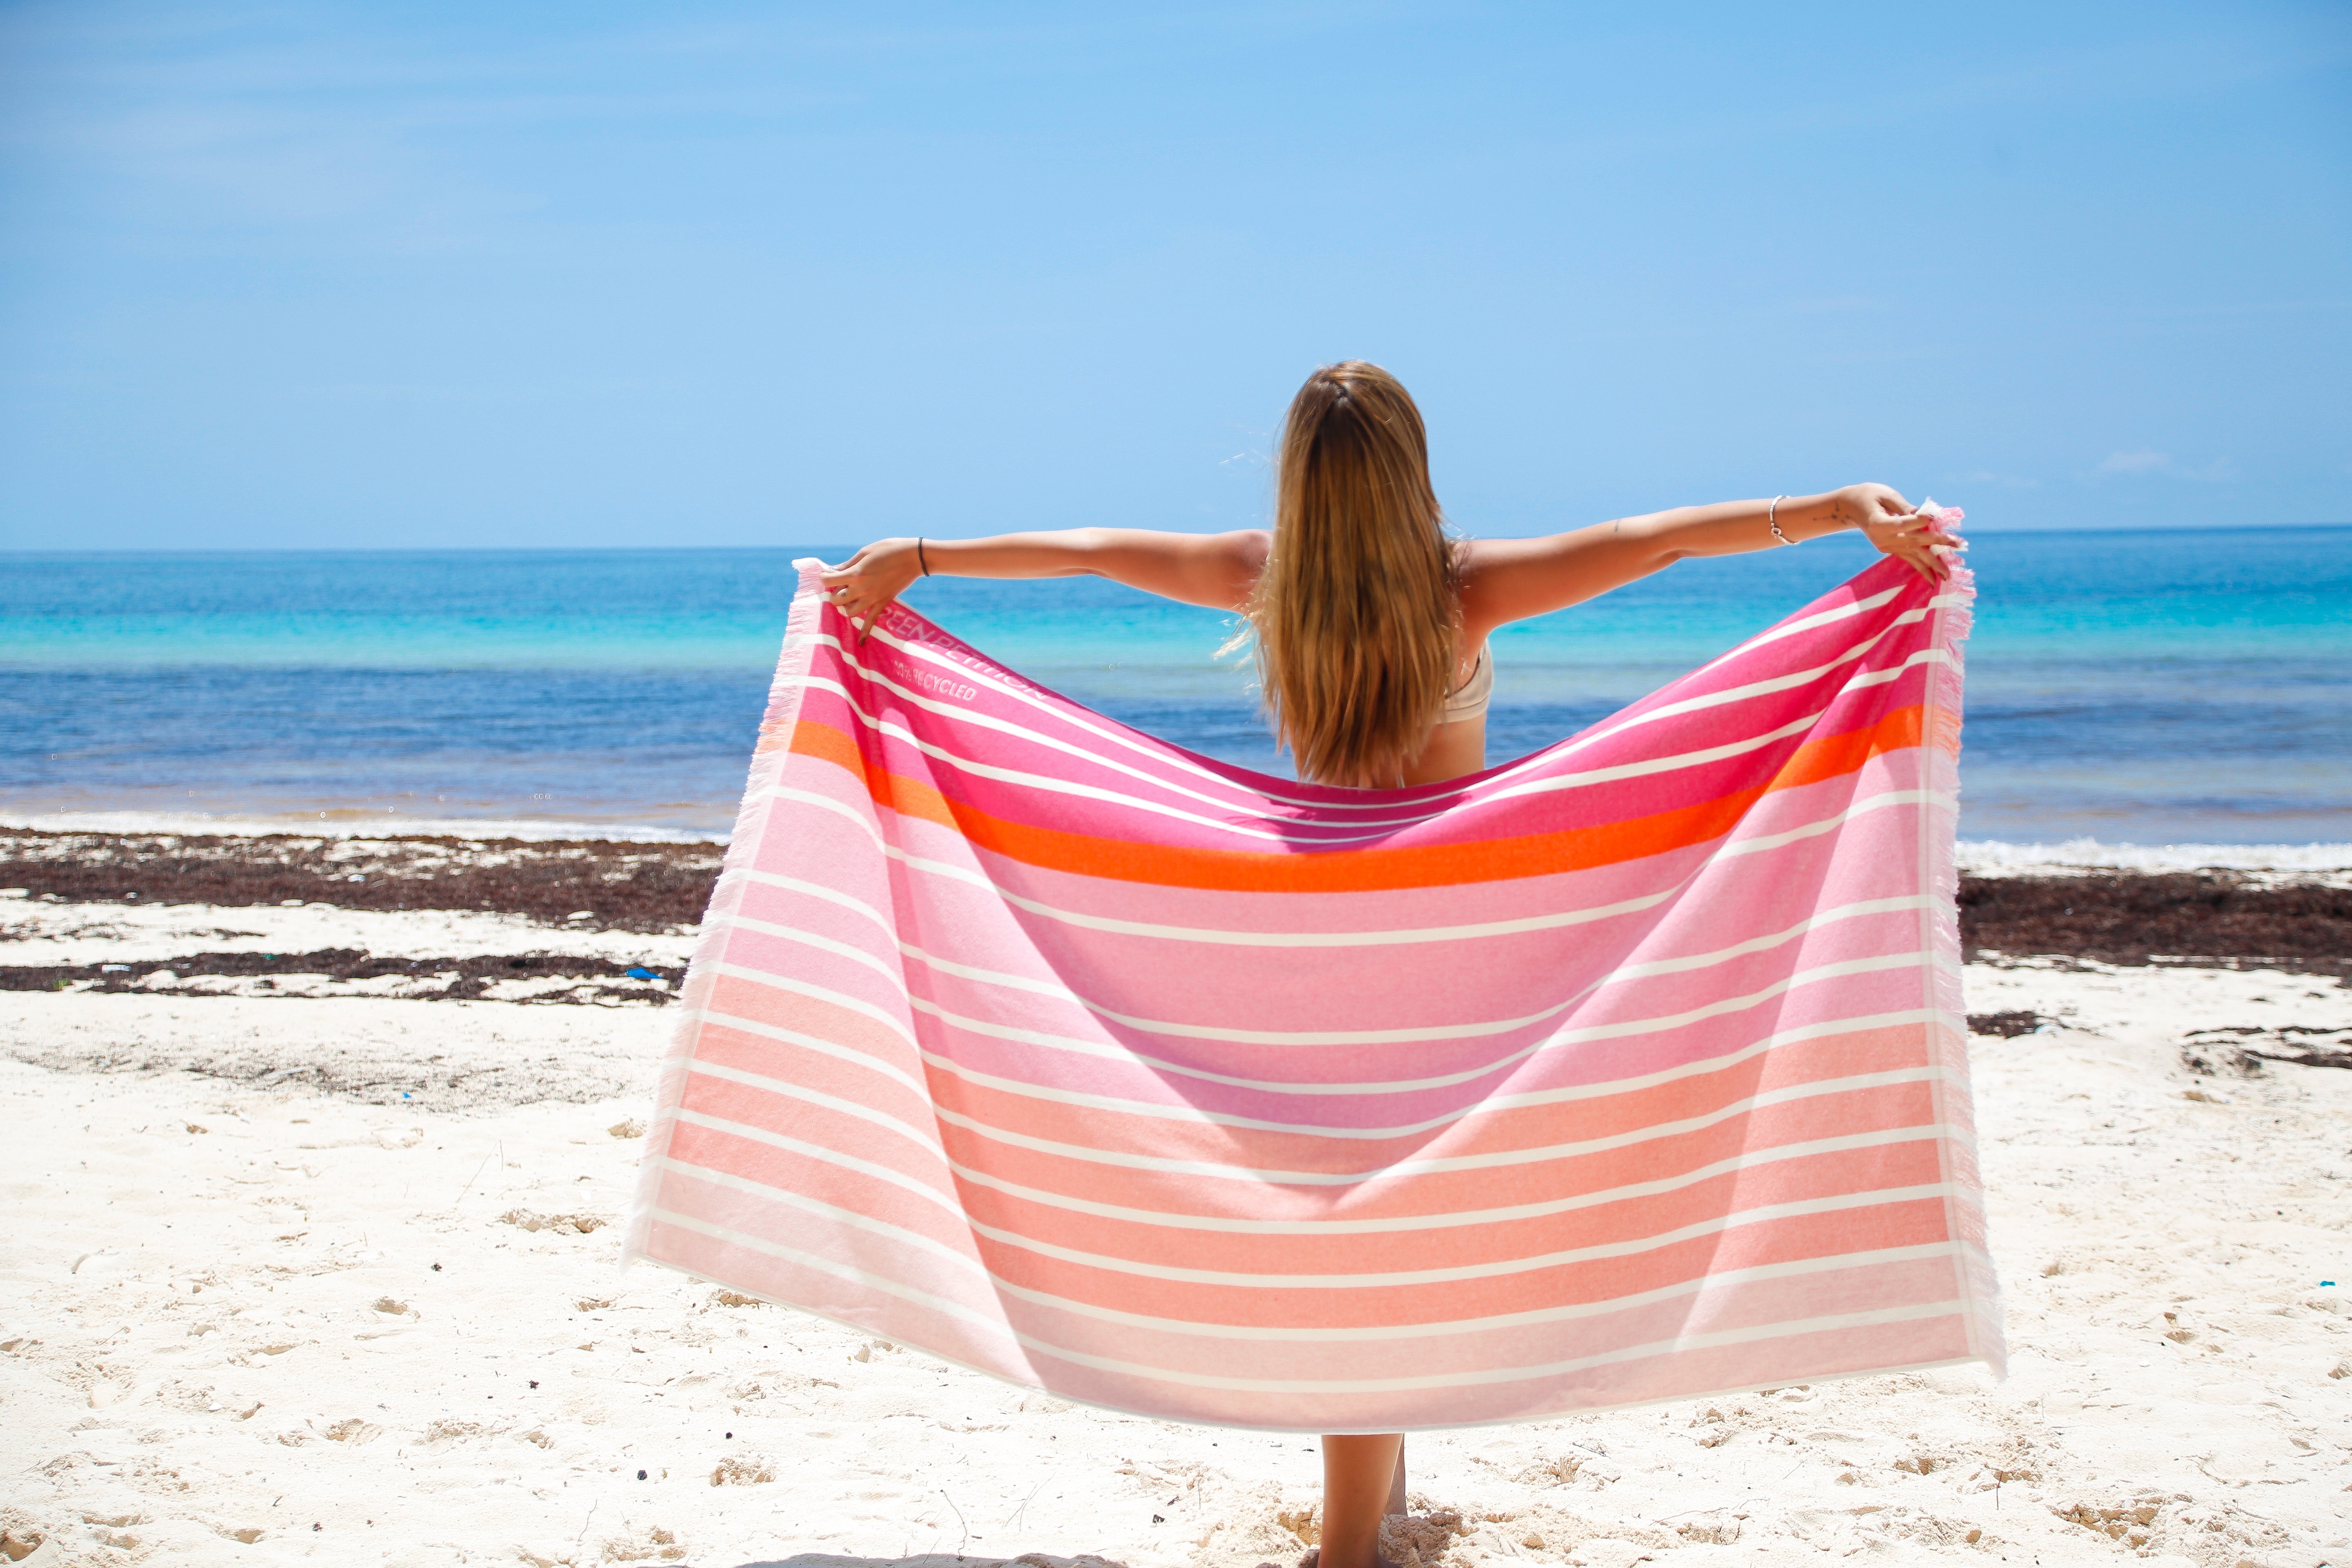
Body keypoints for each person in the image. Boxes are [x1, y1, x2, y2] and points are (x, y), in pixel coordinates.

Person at [819, 361, 1958, 1568]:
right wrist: (1839, 508)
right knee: (1399, 1219)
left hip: (1315, 922)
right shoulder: (1468, 586)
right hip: (1459, 931)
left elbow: (1091, 552)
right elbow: (1658, 544)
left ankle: (1371, 1497)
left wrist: (921, 555)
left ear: (1299, 478)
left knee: (1354, 1203)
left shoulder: (1261, 578)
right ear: (1414, 469)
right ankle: (1351, 1546)